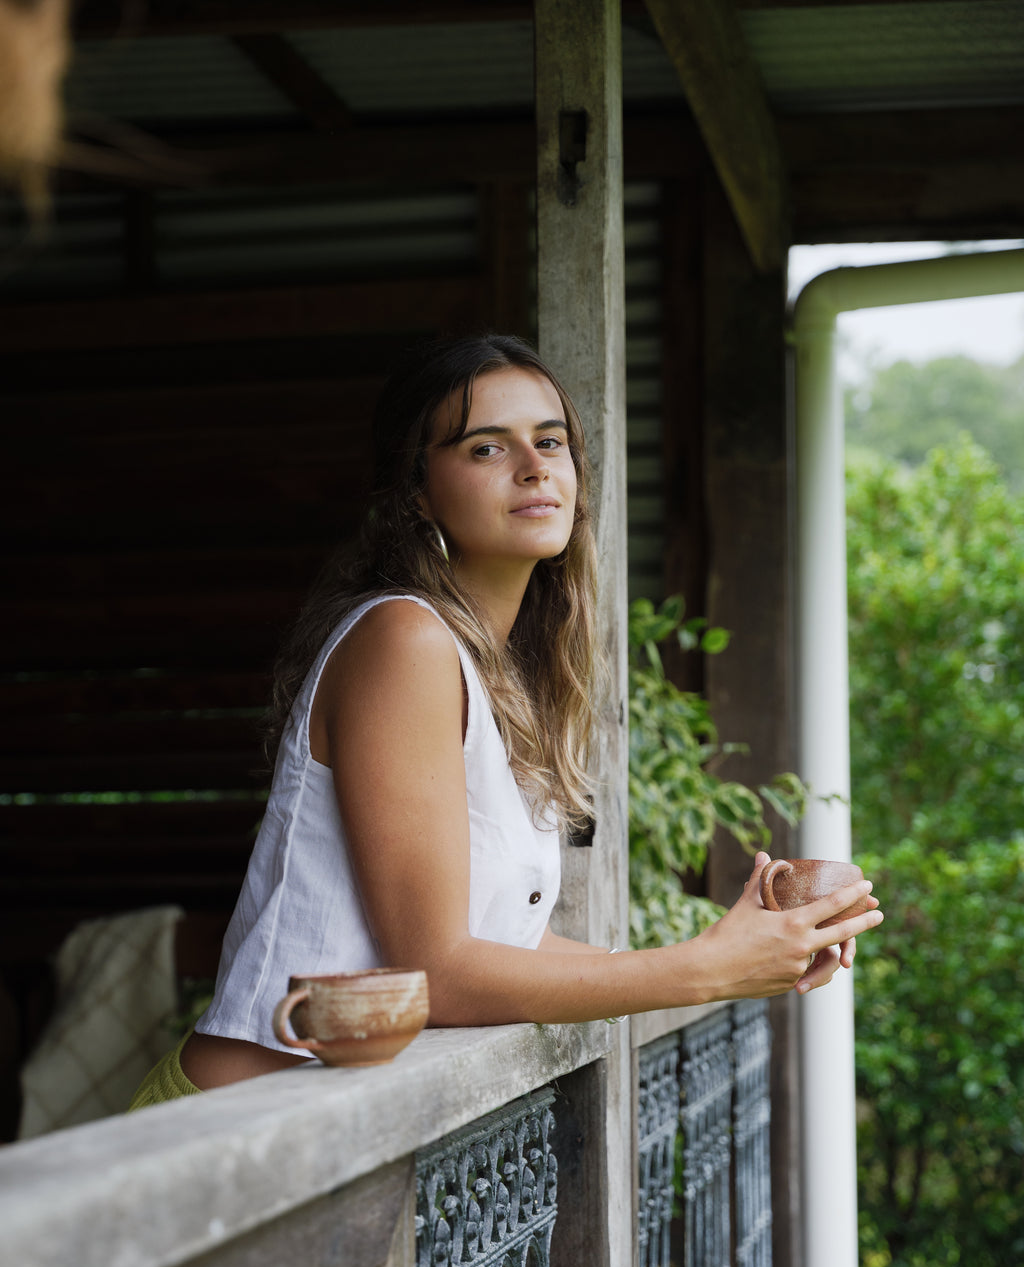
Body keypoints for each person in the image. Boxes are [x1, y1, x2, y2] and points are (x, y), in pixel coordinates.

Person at [131, 333, 882, 1106]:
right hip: (226, 1135)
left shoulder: (498, 673)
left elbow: (503, 948)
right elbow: (436, 972)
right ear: (417, 491)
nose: (534, 466)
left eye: (550, 441)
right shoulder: (405, 640)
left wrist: (728, 950)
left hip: (330, 1149)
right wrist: (701, 973)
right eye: (486, 447)